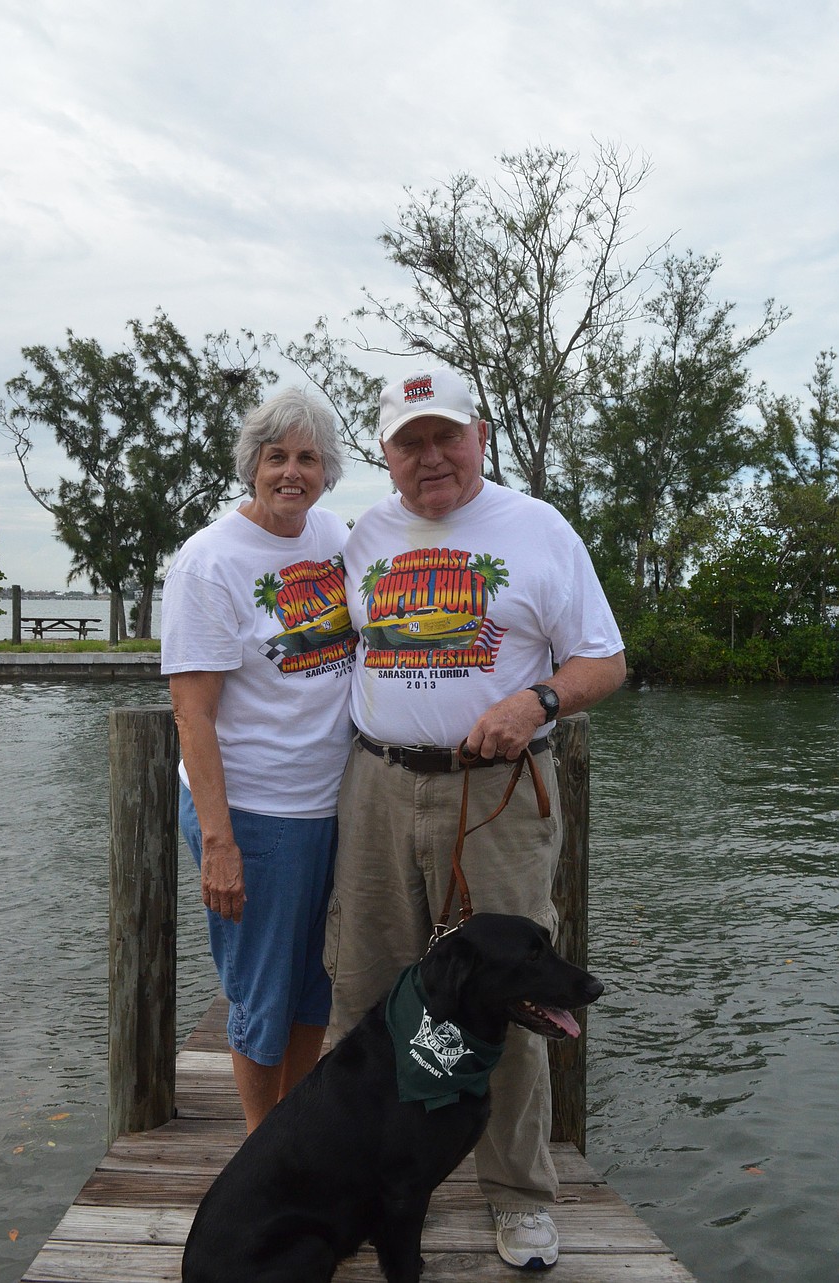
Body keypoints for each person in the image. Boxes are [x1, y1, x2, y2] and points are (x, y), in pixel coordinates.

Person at [325, 367, 626, 1270]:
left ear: (480, 434)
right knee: (364, 995)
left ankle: (521, 1194)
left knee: (516, 998)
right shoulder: (361, 537)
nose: (430, 457)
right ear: (384, 456)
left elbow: (603, 661)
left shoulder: (539, 528)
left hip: (498, 794)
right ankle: (347, 1188)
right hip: (377, 786)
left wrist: (536, 701)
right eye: (408, 442)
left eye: (444, 435)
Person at [161, 388, 357, 1133]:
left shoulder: (336, 538)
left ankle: (294, 1130)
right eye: (276, 456)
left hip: (328, 805)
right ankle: (260, 1149)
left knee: (313, 985)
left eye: (307, 457)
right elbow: (193, 713)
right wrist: (220, 843)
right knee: (260, 993)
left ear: (327, 470)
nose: (291, 472)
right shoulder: (209, 562)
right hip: (250, 812)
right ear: (252, 464)